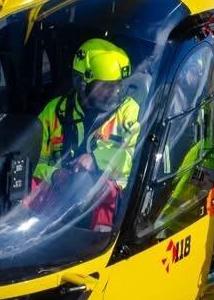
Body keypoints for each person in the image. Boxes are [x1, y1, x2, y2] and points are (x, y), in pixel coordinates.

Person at [30, 38, 142, 229]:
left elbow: (134, 158)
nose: (115, 92)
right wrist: (54, 174)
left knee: (94, 186)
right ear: (82, 84)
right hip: (59, 201)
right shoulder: (55, 111)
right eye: (106, 86)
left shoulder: (130, 111)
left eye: (118, 84)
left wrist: (95, 160)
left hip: (114, 210)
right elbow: (31, 163)